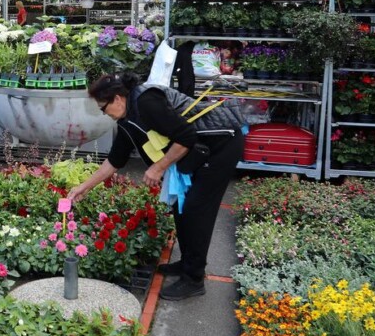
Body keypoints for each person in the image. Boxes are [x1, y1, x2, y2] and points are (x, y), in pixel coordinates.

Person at [68, 73, 247, 300]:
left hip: (222, 144)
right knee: (181, 207)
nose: (104, 114)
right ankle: (187, 263)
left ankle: (194, 279)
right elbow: (115, 160)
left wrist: (159, 168)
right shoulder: (127, 119)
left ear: (117, 99)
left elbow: (186, 136)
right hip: (200, 151)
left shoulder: (147, 102)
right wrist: (84, 187)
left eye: (103, 108)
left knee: (196, 209)